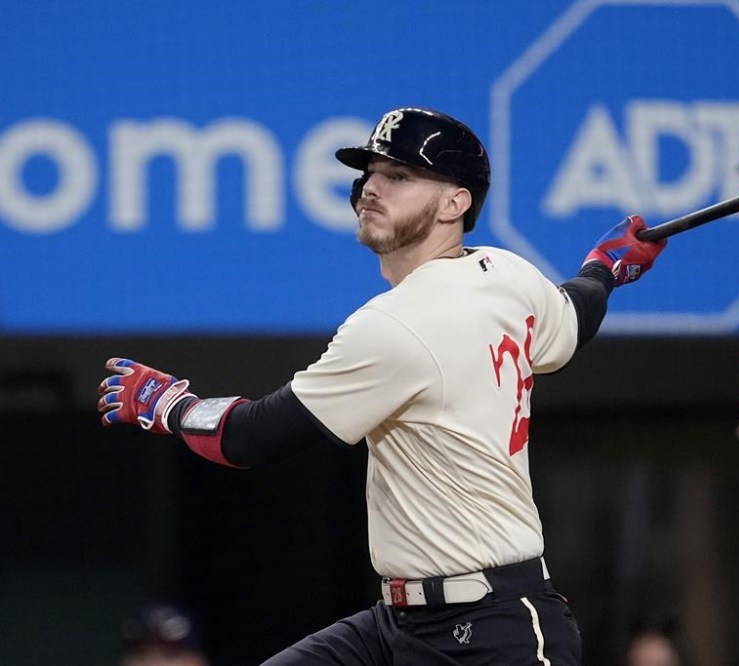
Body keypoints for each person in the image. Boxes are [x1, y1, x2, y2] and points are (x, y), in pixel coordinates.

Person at [97, 106, 667, 665]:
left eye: (399, 175)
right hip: (401, 621)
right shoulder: (508, 274)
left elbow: (249, 438)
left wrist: (169, 404)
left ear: (455, 202)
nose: (371, 187)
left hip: (494, 631)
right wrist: (606, 268)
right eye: (369, 173)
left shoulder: (398, 323)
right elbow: (572, 315)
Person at [120, 604, 210, 666]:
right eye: (149, 645)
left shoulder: (190, 660)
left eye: (168, 653)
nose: (156, 662)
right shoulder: (132, 661)